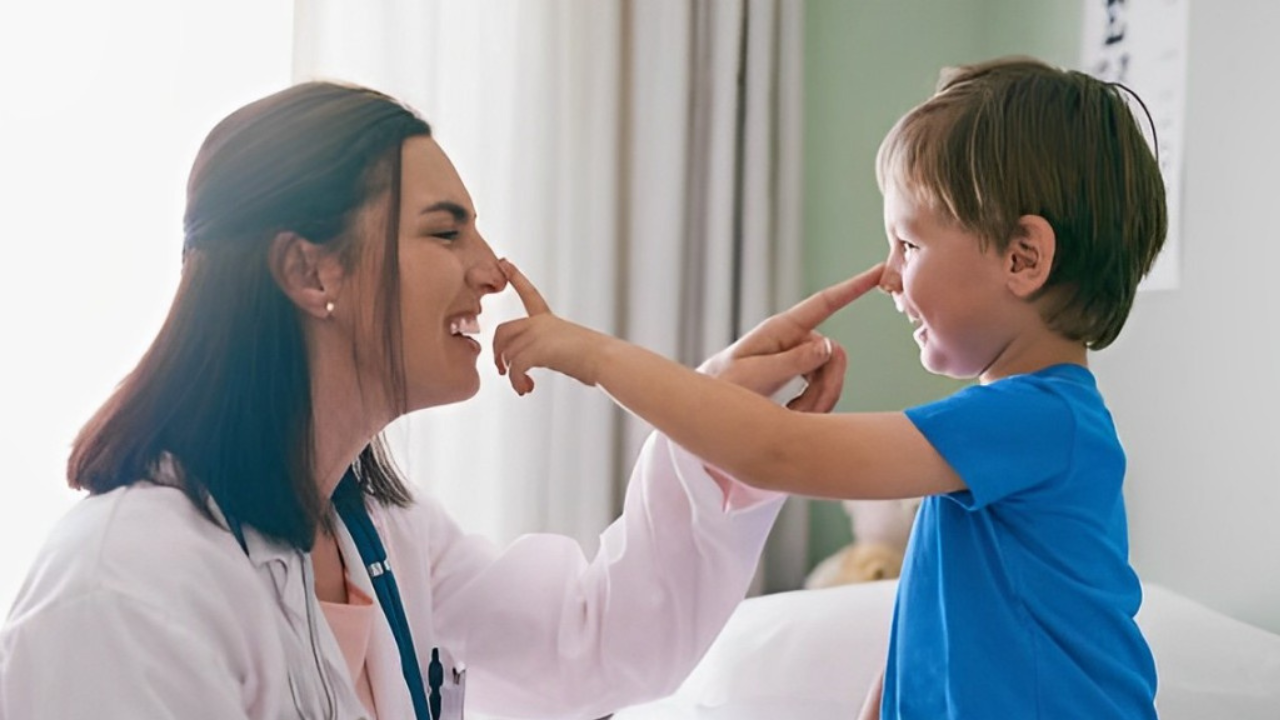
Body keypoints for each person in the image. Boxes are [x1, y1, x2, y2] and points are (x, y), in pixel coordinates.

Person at [0, 80, 854, 720]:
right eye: (447, 232)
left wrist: (715, 426)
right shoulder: (122, 589)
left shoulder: (380, 535)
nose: (492, 272)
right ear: (309, 270)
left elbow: (605, 641)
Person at [492, 55, 1167, 719]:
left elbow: (774, 450)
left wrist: (595, 356)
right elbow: (933, 627)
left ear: (1023, 259)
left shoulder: (1037, 421)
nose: (888, 277)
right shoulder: (1008, 428)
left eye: (909, 244)